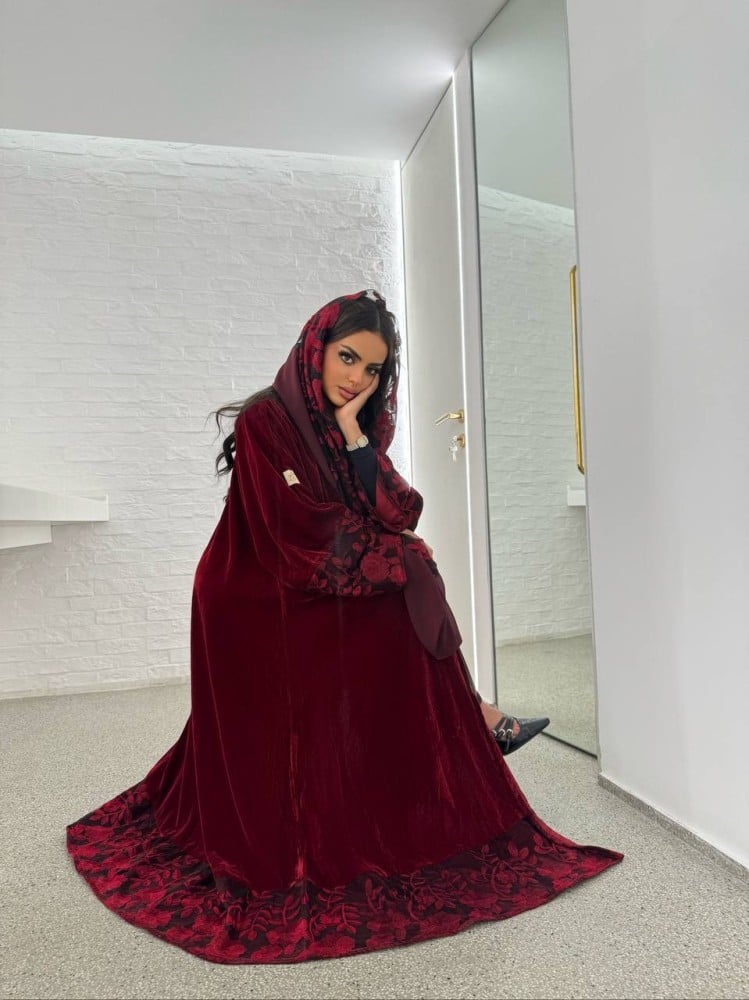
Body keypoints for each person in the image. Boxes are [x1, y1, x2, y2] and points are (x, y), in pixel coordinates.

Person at [66, 289, 622, 964]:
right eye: (348, 357)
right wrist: (396, 555)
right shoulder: (266, 421)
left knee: (408, 577)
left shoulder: (347, 424)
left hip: (306, 578)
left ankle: (462, 731)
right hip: (255, 590)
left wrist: (358, 439)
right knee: (407, 576)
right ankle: (477, 720)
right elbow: (299, 530)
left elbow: (399, 509)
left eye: (373, 369)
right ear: (317, 348)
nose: (356, 378)